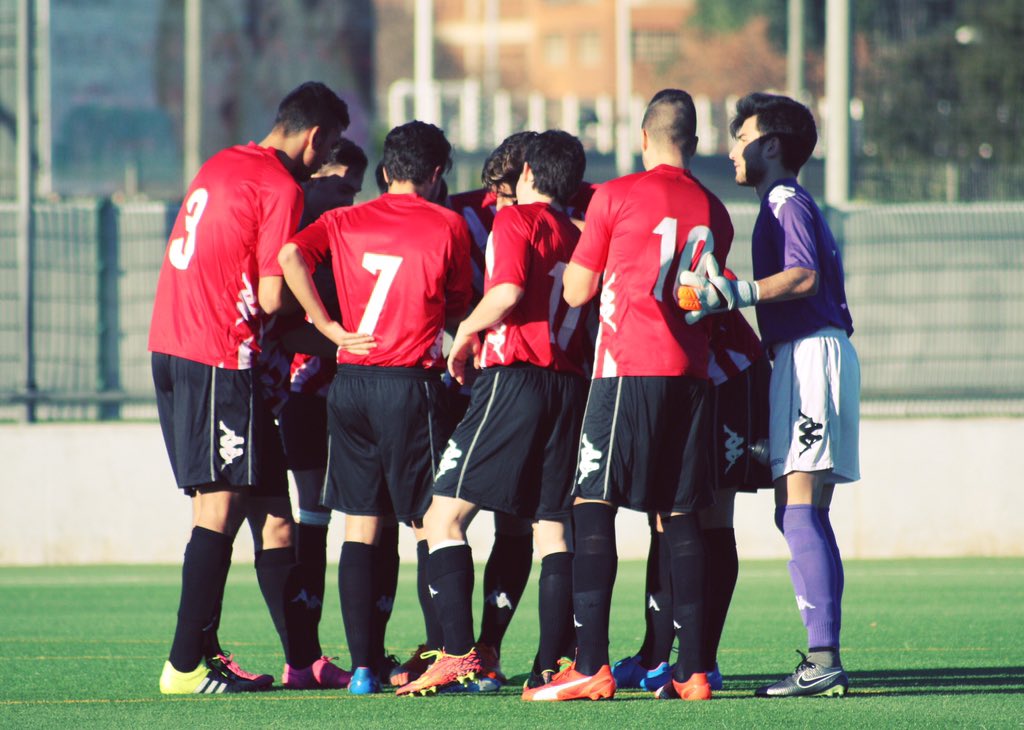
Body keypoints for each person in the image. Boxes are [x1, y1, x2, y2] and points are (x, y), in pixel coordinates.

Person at [522, 88, 733, 703]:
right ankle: (693, 671)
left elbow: (581, 289)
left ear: (643, 139)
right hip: (691, 379)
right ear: (692, 144)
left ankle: (590, 667)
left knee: (592, 507)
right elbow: (702, 295)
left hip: (625, 373)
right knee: (679, 516)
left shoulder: (616, 195)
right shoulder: (714, 209)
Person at [150, 81, 350, 695]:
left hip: (177, 347)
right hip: (218, 355)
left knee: (274, 519)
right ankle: (186, 664)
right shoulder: (281, 185)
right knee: (219, 508)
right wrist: (331, 319)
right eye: (332, 147)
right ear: (315, 136)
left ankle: (301, 660)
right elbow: (270, 294)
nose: (328, 161)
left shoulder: (222, 162)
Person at [278, 120, 473, 695]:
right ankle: (444, 656)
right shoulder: (447, 224)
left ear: (386, 172)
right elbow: (457, 304)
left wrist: (328, 326)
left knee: (359, 524)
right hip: (408, 385)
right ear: (436, 175)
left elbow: (290, 253)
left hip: (352, 383)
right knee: (427, 522)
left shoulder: (342, 220)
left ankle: (363, 668)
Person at [395, 130, 591, 697]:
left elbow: (505, 292)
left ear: (526, 174)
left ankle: (458, 653)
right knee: (553, 530)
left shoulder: (515, 221)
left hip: (515, 380)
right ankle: (551, 664)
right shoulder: (581, 234)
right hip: (567, 386)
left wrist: (464, 338)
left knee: (441, 518)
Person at [680, 91, 859, 698]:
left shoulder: (783, 199)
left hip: (808, 354)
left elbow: (803, 275)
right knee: (802, 509)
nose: (733, 148)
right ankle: (824, 655)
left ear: (772, 145)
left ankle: (823, 658)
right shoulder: (787, 202)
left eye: (742, 136)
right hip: (815, 352)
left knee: (799, 506)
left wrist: (737, 293)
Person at [611, 303, 772, 696]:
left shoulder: (684, 254)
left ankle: (698, 660)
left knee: (704, 514)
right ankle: (659, 656)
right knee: (664, 515)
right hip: (686, 382)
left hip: (726, 381)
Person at [260, 138, 374, 689]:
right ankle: (303, 653)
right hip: (298, 391)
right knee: (304, 516)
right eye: (340, 185)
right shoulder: (293, 231)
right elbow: (280, 316)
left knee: (341, 515)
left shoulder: (343, 232)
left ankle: (320, 656)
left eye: (355, 189)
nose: (348, 199)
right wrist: (341, 344)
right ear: (314, 175)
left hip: (341, 389)